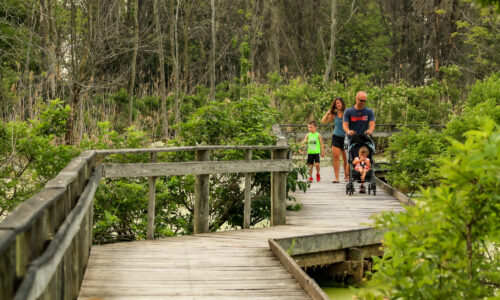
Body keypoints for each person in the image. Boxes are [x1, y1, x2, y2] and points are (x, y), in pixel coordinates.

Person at [343, 91, 375, 193]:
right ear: (356, 98)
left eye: (364, 101)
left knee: (366, 158)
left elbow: (372, 123)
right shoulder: (349, 111)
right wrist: (348, 131)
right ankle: (349, 180)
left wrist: (370, 130)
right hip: (352, 138)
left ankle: (362, 184)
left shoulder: (368, 111)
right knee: (349, 160)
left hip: (364, 138)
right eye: (361, 100)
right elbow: (345, 124)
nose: (362, 103)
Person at [321, 97, 348, 183]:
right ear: (335, 105)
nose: (338, 104)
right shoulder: (334, 114)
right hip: (336, 137)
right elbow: (323, 121)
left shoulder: (347, 113)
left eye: (339, 103)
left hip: (346, 138)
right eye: (336, 103)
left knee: (346, 159)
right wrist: (328, 112)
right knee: (336, 158)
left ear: (342, 104)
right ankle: (336, 178)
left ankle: (346, 176)